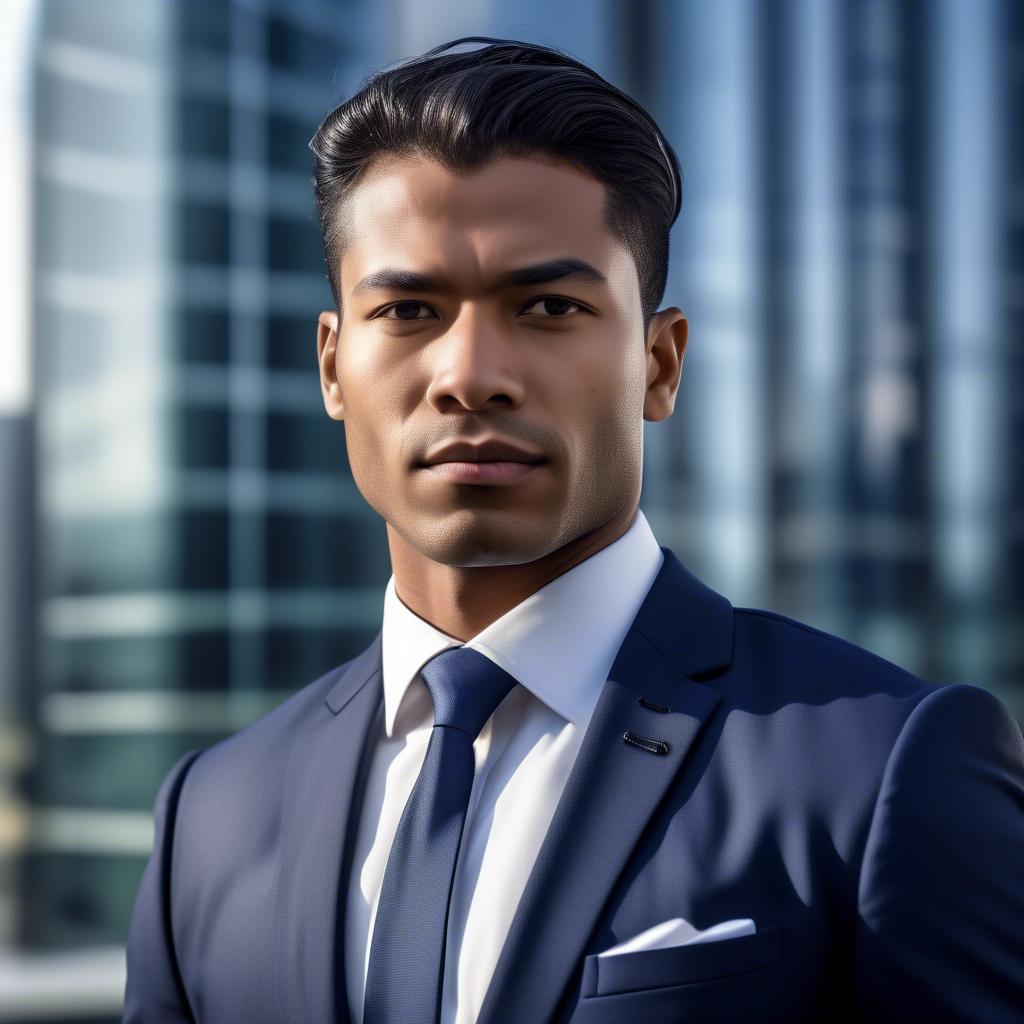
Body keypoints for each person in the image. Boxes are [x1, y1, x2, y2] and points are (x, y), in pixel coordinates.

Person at [123, 37, 1024, 1024]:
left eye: (548, 305)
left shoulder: (884, 763)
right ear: (333, 367)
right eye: (410, 307)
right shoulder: (209, 812)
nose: (469, 374)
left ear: (659, 364)